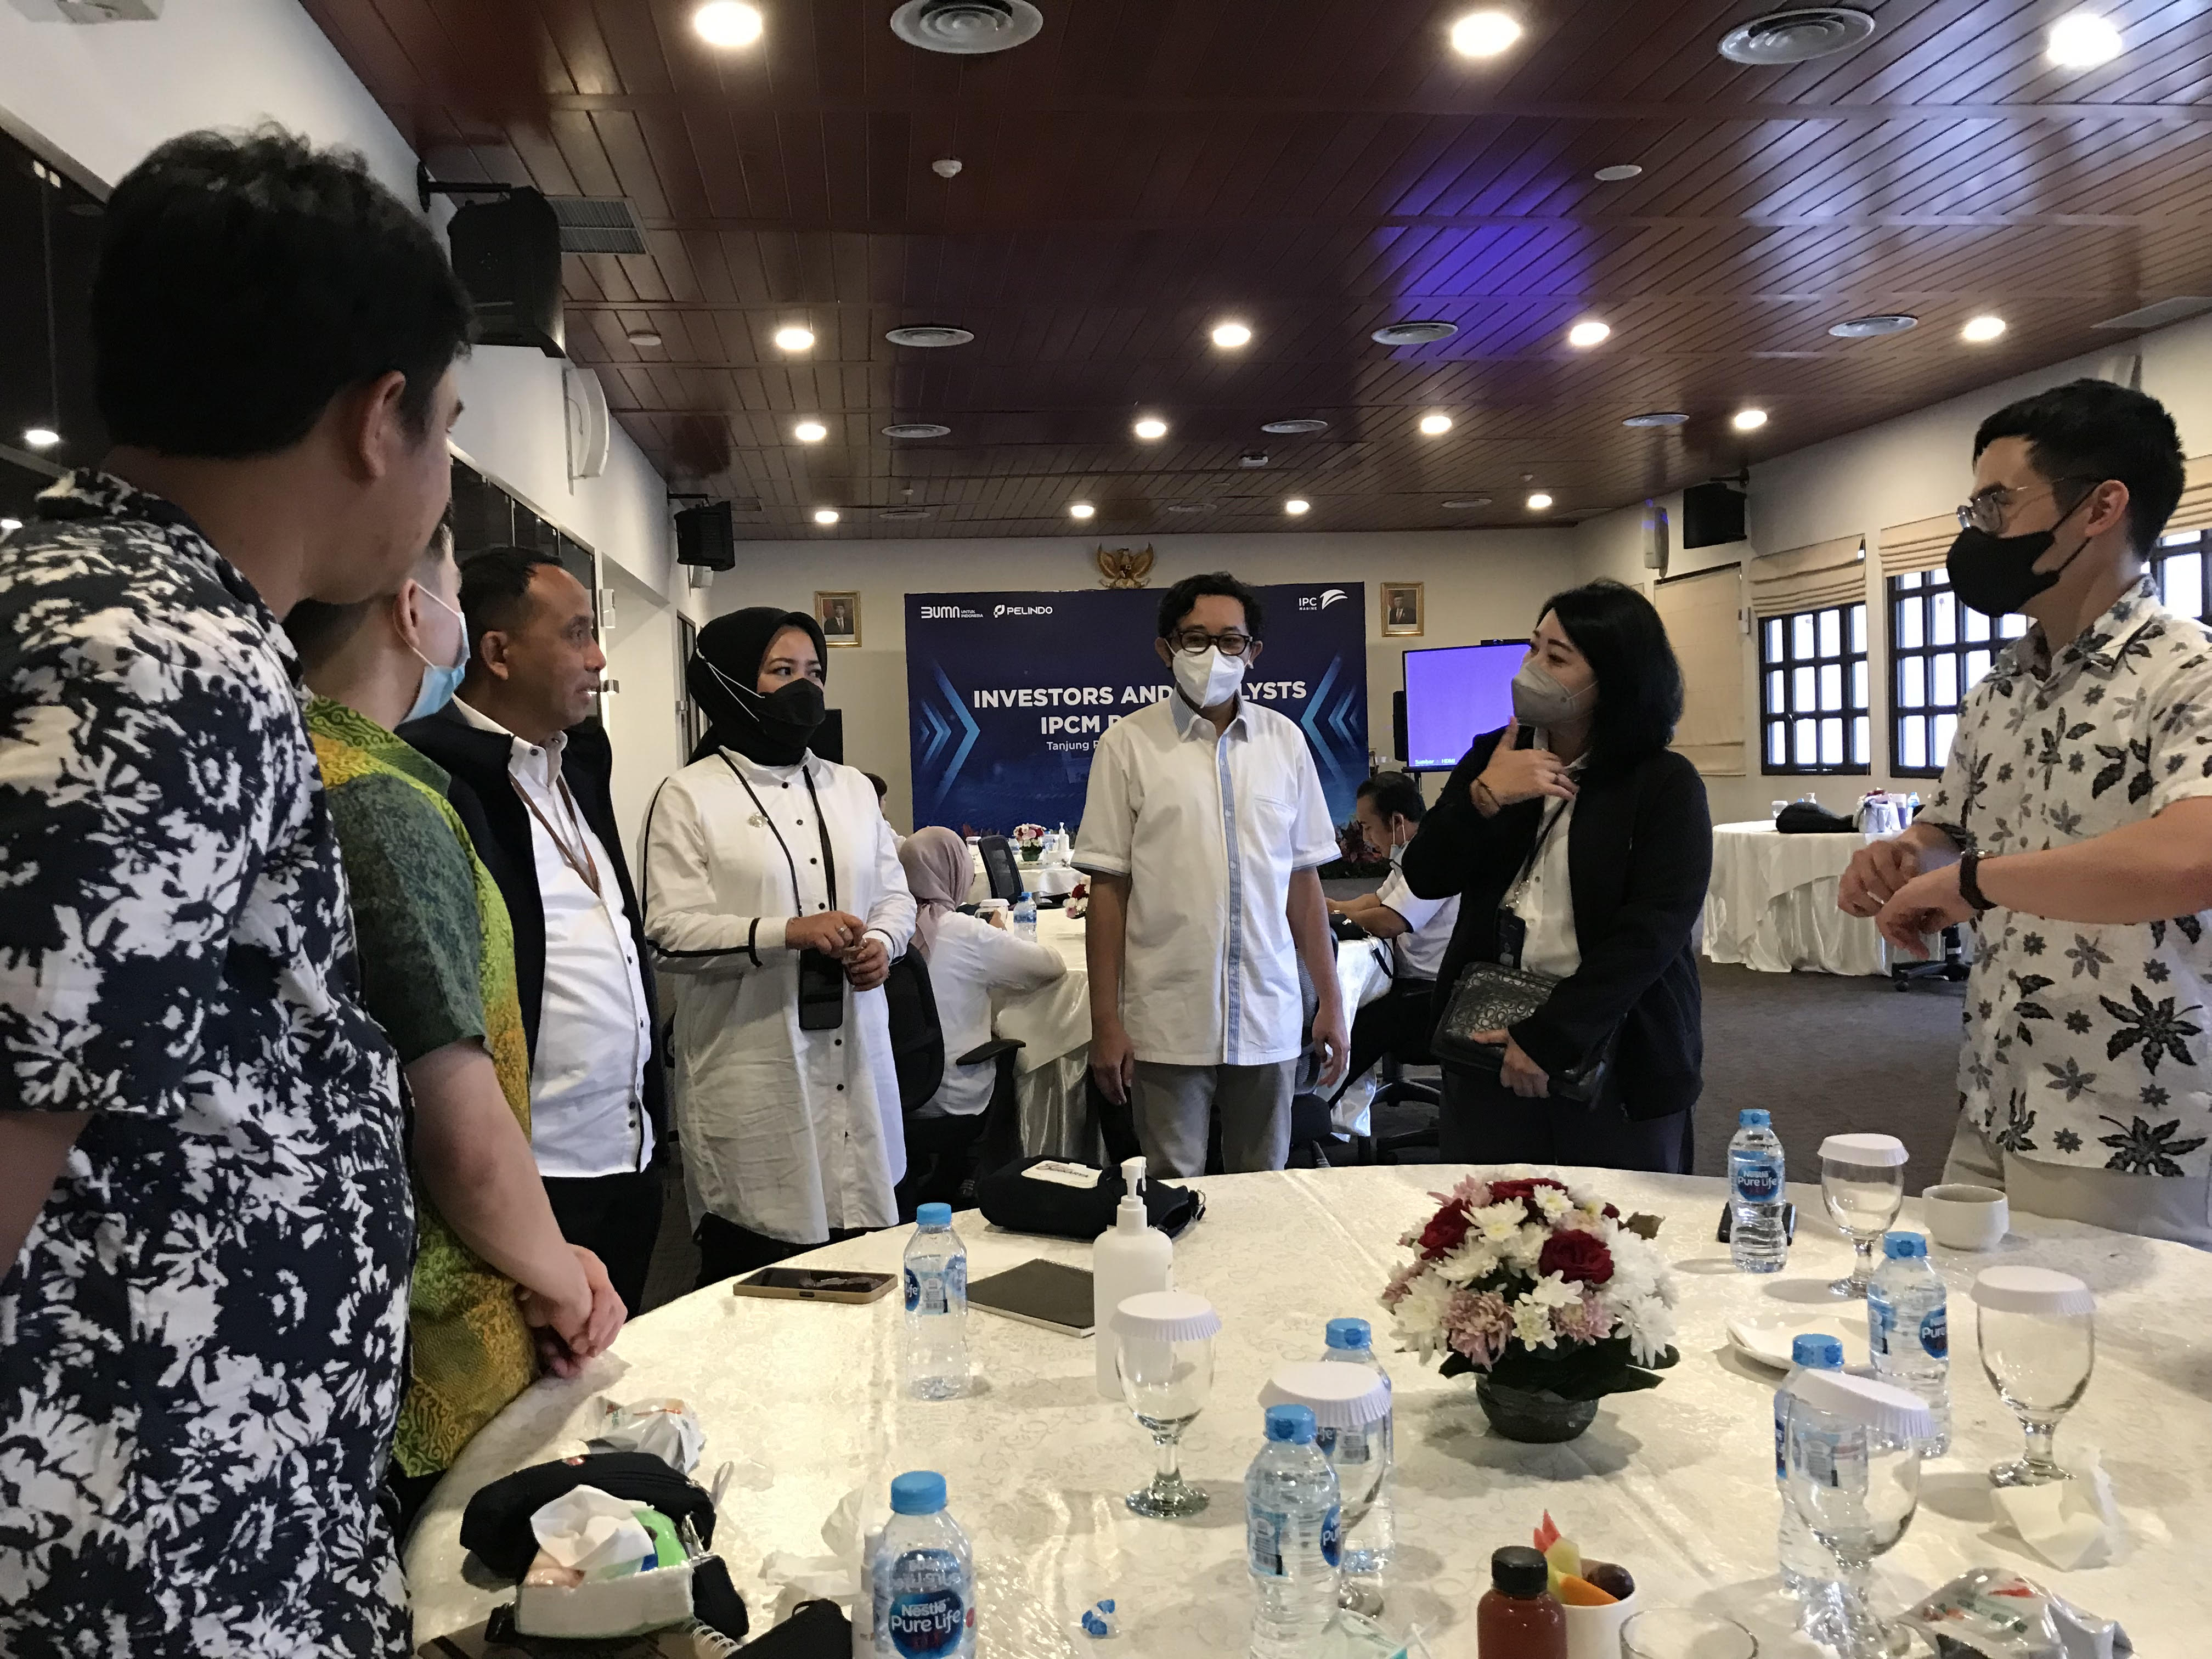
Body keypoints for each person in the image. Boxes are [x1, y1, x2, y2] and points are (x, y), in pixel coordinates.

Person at [0, 127, 467, 1654]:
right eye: (450, 426)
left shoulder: (108, 605)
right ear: (379, 418)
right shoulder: (156, 662)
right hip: (147, 1563)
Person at [285, 525, 627, 1534]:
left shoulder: (299, 763)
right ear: (413, 612)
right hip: (432, 1321)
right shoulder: (375, 798)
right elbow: (456, 1120)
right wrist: (563, 1278)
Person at [1842, 379, 2212, 1249]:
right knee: (1969, 1312)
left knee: (2110, 1333)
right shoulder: (2000, 688)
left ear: (2101, 508)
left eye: (1996, 505)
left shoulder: (2187, 672)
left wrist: (1976, 883)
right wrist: (1907, 857)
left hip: (2131, 1107)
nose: (1978, 532)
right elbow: (1952, 835)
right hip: (1997, 1081)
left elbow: (2190, 858)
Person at [401, 548, 666, 1318]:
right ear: (498, 652)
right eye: (577, 634)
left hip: (631, 1147)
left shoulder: (578, 765)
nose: (598, 657)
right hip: (529, 1166)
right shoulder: (433, 776)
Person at [642, 608, 917, 1284]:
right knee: (762, 1288)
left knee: (869, 1282)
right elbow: (668, 933)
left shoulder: (853, 788)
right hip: (757, 1079)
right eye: (782, 671)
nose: (805, 688)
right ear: (731, 682)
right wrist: (785, 933)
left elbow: (895, 896)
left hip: (859, 1066)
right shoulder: (688, 795)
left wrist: (884, 942)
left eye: (815, 672)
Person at [1402, 580, 1710, 1172]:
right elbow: (1425, 875)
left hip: (1618, 1043)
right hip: (1486, 1034)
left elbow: (1652, 932)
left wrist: (1549, 1038)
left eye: (1557, 657)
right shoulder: (1495, 753)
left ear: (1612, 678)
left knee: (1618, 1222)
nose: (1532, 668)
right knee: (1487, 1218)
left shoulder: (1663, 783)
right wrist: (1485, 797)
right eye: (1533, 647)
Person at [1074, 572, 1347, 1177]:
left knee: (1266, 1187)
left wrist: (1331, 1001)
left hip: (1270, 1010)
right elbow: (1109, 893)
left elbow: (1303, 886)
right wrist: (1105, 1023)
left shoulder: (1284, 742)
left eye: (1230, 641)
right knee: (1171, 1188)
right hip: (1168, 1016)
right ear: (1166, 648)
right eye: (1195, 639)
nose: (1214, 654)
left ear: (1253, 652)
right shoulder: (1127, 745)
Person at [900, 826, 1068, 1116]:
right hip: (954, 1094)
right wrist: (999, 935)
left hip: (891, 1095)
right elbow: (1051, 965)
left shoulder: (886, 930)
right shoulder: (966, 932)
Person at [1326, 774, 1461, 1100]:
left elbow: (1389, 921)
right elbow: (1376, 900)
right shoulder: (1412, 856)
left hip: (1436, 992)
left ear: (1397, 822)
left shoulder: (1436, 857)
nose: (1366, 838)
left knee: (1358, 1027)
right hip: (1413, 981)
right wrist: (1328, 906)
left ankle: (1314, 1108)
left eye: (1368, 827)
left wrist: (1332, 918)